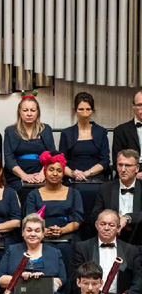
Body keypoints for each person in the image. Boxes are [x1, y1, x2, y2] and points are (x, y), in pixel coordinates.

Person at [72, 210, 142, 294]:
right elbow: (76, 277)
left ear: (118, 227)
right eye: (103, 224)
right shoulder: (82, 248)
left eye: (111, 225)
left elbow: (138, 279)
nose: (107, 228)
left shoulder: (131, 250)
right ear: (96, 225)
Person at [24, 151, 84, 273]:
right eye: (51, 169)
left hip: (68, 237)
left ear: (63, 173)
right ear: (45, 171)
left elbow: (77, 220)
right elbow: (29, 220)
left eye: (59, 170)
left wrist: (61, 231)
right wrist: (44, 231)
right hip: (40, 237)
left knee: (67, 250)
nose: (55, 173)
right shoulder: (33, 195)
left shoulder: (74, 193)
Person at [59, 92, 110, 227]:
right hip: (72, 177)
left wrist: (87, 173)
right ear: (75, 110)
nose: (85, 113)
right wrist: (74, 174)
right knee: (76, 192)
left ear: (93, 110)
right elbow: (61, 161)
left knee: (97, 192)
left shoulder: (101, 132)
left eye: (88, 109)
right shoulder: (67, 133)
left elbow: (105, 161)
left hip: (96, 176)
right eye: (81, 109)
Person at [3, 93, 58, 203]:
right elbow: (9, 158)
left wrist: (43, 174)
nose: (29, 114)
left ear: (38, 112)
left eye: (32, 110)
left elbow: (52, 154)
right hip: (18, 174)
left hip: (42, 172)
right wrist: (24, 176)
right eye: (25, 110)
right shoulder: (10, 131)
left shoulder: (46, 129)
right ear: (19, 112)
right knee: (21, 189)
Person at [91, 149, 142, 244]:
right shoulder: (105, 188)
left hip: (139, 238)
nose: (123, 169)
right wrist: (115, 218)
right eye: (120, 165)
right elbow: (95, 215)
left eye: (128, 165)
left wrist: (127, 218)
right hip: (113, 239)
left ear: (137, 168)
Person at [111, 90, 142, 166]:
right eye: (139, 105)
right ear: (133, 106)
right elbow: (117, 162)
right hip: (130, 172)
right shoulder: (120, 131)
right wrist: (135, 174)